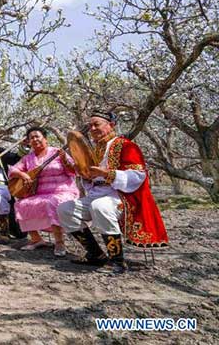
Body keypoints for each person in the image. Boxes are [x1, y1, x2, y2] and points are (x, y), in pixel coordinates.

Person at [57, 111, 169, 273]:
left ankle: (117, 261)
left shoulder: (126, 145)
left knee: (99, 206)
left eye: (97, 124)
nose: (93, 128)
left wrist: (106, 173)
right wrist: (85, 175)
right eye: (91, 126)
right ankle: (96, 255)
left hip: (121, 196)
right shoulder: (95, 149)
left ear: (111, 125)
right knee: (65, 209)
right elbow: (90, 177)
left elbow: (138, 176)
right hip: (97, 193)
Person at [8, 127, 80, 257]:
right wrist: (23, 175)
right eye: (31, 138)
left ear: (45, 139)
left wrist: (64, 160)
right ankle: (37, 239)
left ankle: (59, 242)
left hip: (63, 191)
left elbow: (73, 171)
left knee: (53, 202)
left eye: (37, 136)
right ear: (28, 142)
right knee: (21, 204)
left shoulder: (58, 152)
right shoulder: (28, 158)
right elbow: (12, 170)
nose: (35, 139)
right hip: (40, 193)